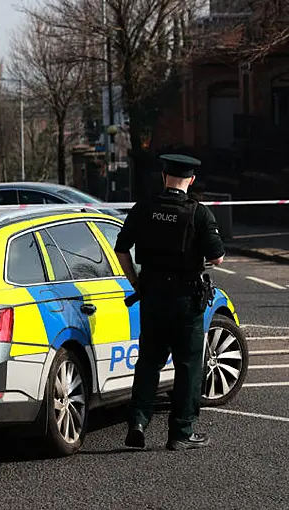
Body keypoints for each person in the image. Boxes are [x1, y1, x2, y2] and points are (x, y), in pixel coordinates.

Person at [113, 153, 226, 451]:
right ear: (192, 180)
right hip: (185, 300)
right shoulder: (198, 213)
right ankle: (181, 432)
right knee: (188, 365)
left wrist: (135, 281)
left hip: (151, 297)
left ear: (163, 177)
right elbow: (217, 256)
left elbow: (121, 249)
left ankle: (137, 422)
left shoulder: (144, 208)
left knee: (149, 361)